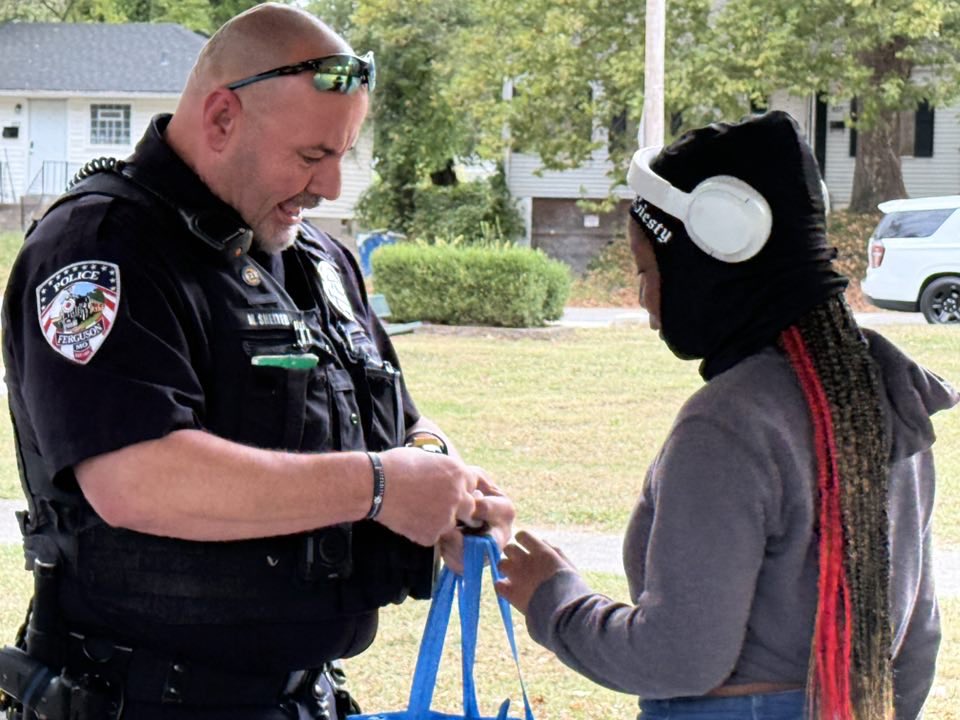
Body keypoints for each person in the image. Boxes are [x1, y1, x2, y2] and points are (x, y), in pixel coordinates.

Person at [0, 4, 513, 719]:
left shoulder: (317, 259)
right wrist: (378, 486)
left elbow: (400, 425)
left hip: (304, 696)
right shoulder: (102, 247)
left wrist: (443, 478)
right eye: (311, 156)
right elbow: (135, 479)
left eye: (344, 153)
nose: (331, 186)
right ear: (220, 119)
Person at [496, 111, 957, 720]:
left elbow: (679, 657)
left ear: (709, 261)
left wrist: (554, 599)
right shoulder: (886, 396)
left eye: (647, 271)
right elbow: (916, 638)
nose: (643, 300)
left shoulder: (726, 427)